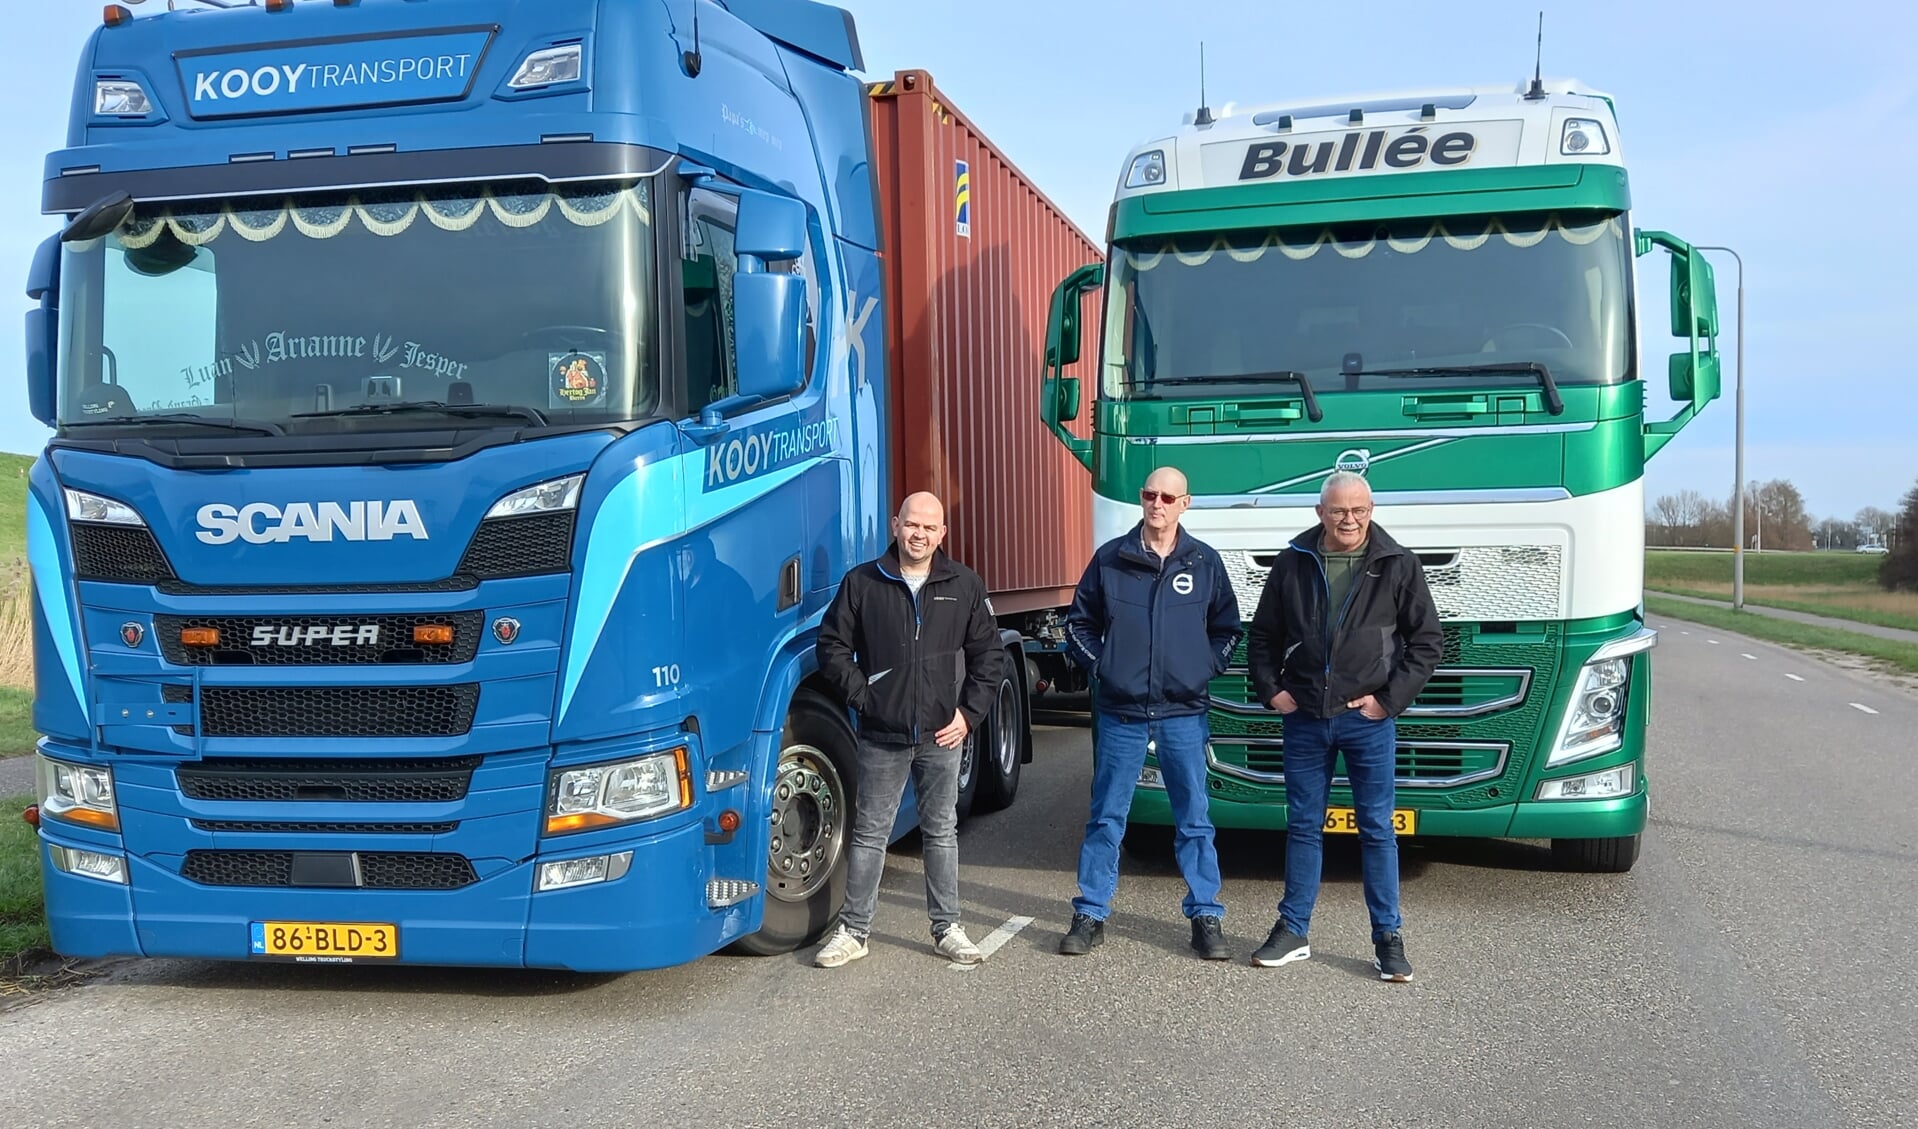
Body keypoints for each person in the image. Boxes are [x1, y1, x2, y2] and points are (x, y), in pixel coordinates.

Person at [1244, 471, 1442, 982]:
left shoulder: (1397, 564)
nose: (1349, 519)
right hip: (1305, 718)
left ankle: (1388, 939)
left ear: (1371, 511)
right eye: (1339, 510)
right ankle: (1292, 930)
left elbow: (1427, 643)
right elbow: (1263, 636)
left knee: (1377, 829)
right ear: (1320, 513)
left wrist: (1388, 701)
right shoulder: (1292, 562)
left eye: (1359, 510)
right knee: (1303, 827)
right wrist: (1273, 690)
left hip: (1367, 722)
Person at [812, 492, 1006, 968]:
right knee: (870, 834)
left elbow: (990, 657)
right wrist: (864, 698)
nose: (919, 534)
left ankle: (948, 928)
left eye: (930, 527)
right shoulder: (863, 583)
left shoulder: (963, 584)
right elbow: (831, 647)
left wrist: (968, 716)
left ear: (942, 534)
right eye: (911, 524)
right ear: (896, 525)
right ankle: (854, 931)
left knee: (940, 832)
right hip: (882, 735)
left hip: (942, 734)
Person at [1058, 466, 1243, 960]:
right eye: (1149, 494)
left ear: (1186, 503)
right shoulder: (1112, 559)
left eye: (1167, 496)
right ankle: (1090, 913)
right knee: (1106, 818)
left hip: (1183, 712)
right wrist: (1105, 668)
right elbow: (1078, 625)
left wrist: (1202, 667)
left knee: (1194, 819)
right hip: (1121, 712)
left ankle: (1205, 914)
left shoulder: (1204, 563)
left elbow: (1227, 628)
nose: (1156, 503)